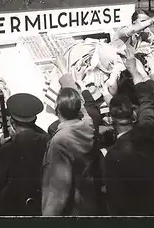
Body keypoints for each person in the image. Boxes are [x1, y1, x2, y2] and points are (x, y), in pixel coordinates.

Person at [42, 87, 98, 216]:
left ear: (57, 110)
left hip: (71, 210)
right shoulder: (88, 126)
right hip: (88, 204)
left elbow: (57, 191)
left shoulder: (60, 141)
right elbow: (85, 112)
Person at [103, 91, 154, 215]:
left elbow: (116, 200)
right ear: (134, 115)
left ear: (110, 120)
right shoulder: (150, 137)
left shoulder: (113, 155)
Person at [0, 93, 49, 216]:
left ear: (12, 121)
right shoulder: (48, 140)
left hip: (16, 207)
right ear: (35, 119)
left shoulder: (8, 148)